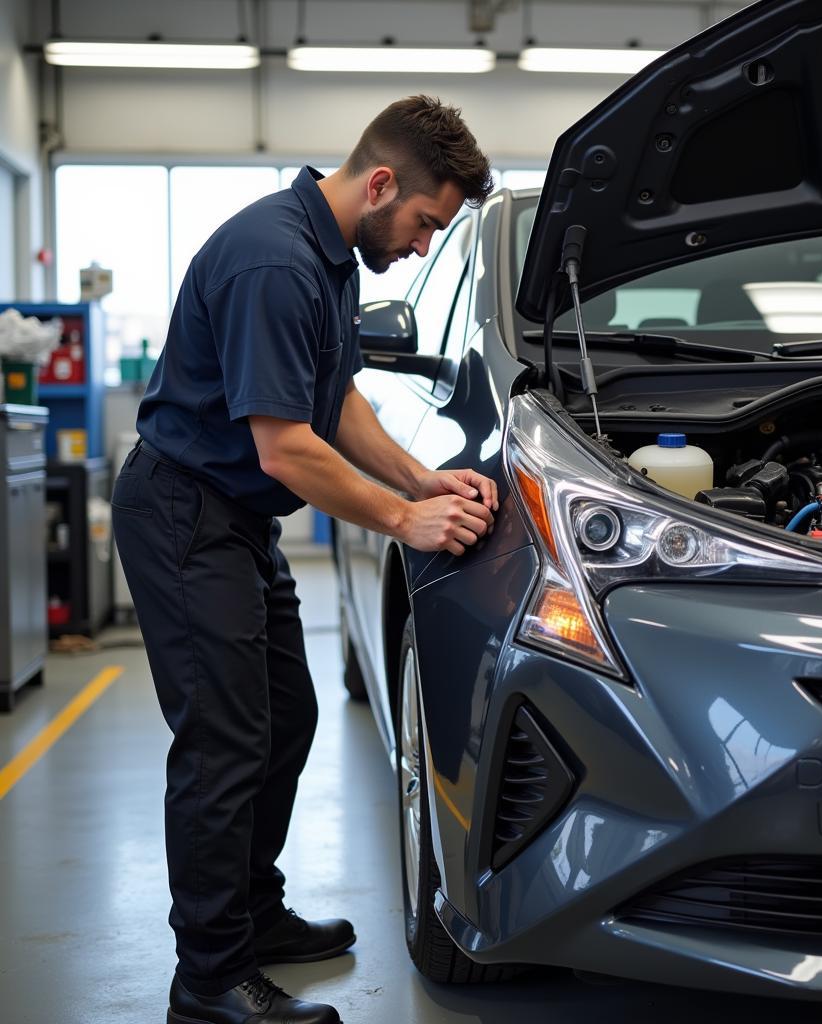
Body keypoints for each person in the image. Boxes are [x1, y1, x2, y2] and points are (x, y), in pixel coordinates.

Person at [112, 95, 497, 1024]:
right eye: (422, 223)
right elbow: (286, 446)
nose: (418, 244)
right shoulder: (276, 261)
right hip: (183, 514)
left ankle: (251, 915)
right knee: (224, 744)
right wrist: (407, 519)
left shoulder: (328, 259)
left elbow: (337, 397)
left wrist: (425, 476)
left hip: (236, 520)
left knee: (287, 718)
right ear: (379, 183)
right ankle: (206, 982)